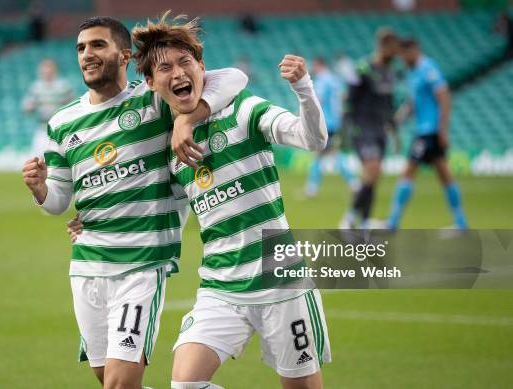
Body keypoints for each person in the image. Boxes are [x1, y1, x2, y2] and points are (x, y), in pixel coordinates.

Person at [70, 13, 331, 389]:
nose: (177, 73)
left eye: (185, 62)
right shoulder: (171, 151)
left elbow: (313, 139)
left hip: (281, 281)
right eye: (165, 68)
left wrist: (303, 88)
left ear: (202, 68)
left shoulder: (244, 110)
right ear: (150, 82)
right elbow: (145, 199)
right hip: (220, 285)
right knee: (185, 384)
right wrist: (94, 220)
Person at [21, 16, 247, 389]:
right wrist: (40, 189)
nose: (87, 54)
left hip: (141, 264)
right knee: (106, 377)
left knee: (118, 383)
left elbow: (233, 78)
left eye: (97, 45)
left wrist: (185, 122)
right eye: (80, 48)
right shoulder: (63, 122)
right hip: (88, 265)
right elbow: (59, 201)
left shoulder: (153, 101)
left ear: (124, 55)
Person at [385, 38, 468, 231]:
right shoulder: (414, 73)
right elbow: (412, 104)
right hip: (425, 130)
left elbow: (444, 97)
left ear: (413, 51)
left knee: (408, 172)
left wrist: (442, 130)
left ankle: (393, 222)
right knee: (444, 175)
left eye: (403, 55)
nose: (402, 59)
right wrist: (396, 121)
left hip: (428, 132)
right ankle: (461, 222)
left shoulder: (428, 68)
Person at [339, 27, 399, 229]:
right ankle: (348, 218)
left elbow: (389, 105)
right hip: (362, 127)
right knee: (372, 170)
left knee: (375, 175)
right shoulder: (363, 68)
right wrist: (345, 131)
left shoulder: (390, 72)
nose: (394, 52)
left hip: (379, 129)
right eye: (391, 48)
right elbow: (349, 100)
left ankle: (364, 222)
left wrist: (395, 134)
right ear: (382, 46)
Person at [305, 56, 356, 197]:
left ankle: (312, 188)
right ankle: (352, 183)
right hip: (335, 121)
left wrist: (304, 114)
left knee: (323, 154)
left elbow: (318, 100)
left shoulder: (323, 79)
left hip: (325, 122)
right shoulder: (335, 80)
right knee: (329, 153)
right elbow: (343, 97)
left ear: (318, 65)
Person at [22, 59, 75, 155]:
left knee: (60, 159)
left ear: (55, 70)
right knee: (38, 159)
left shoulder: (63, 86)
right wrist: (32, 106)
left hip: (59, 129)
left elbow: (73, 105)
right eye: (44, 69)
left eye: (49, 68)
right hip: (43, 128)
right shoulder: (36, 87)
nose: (46, 71)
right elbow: (26, 108)